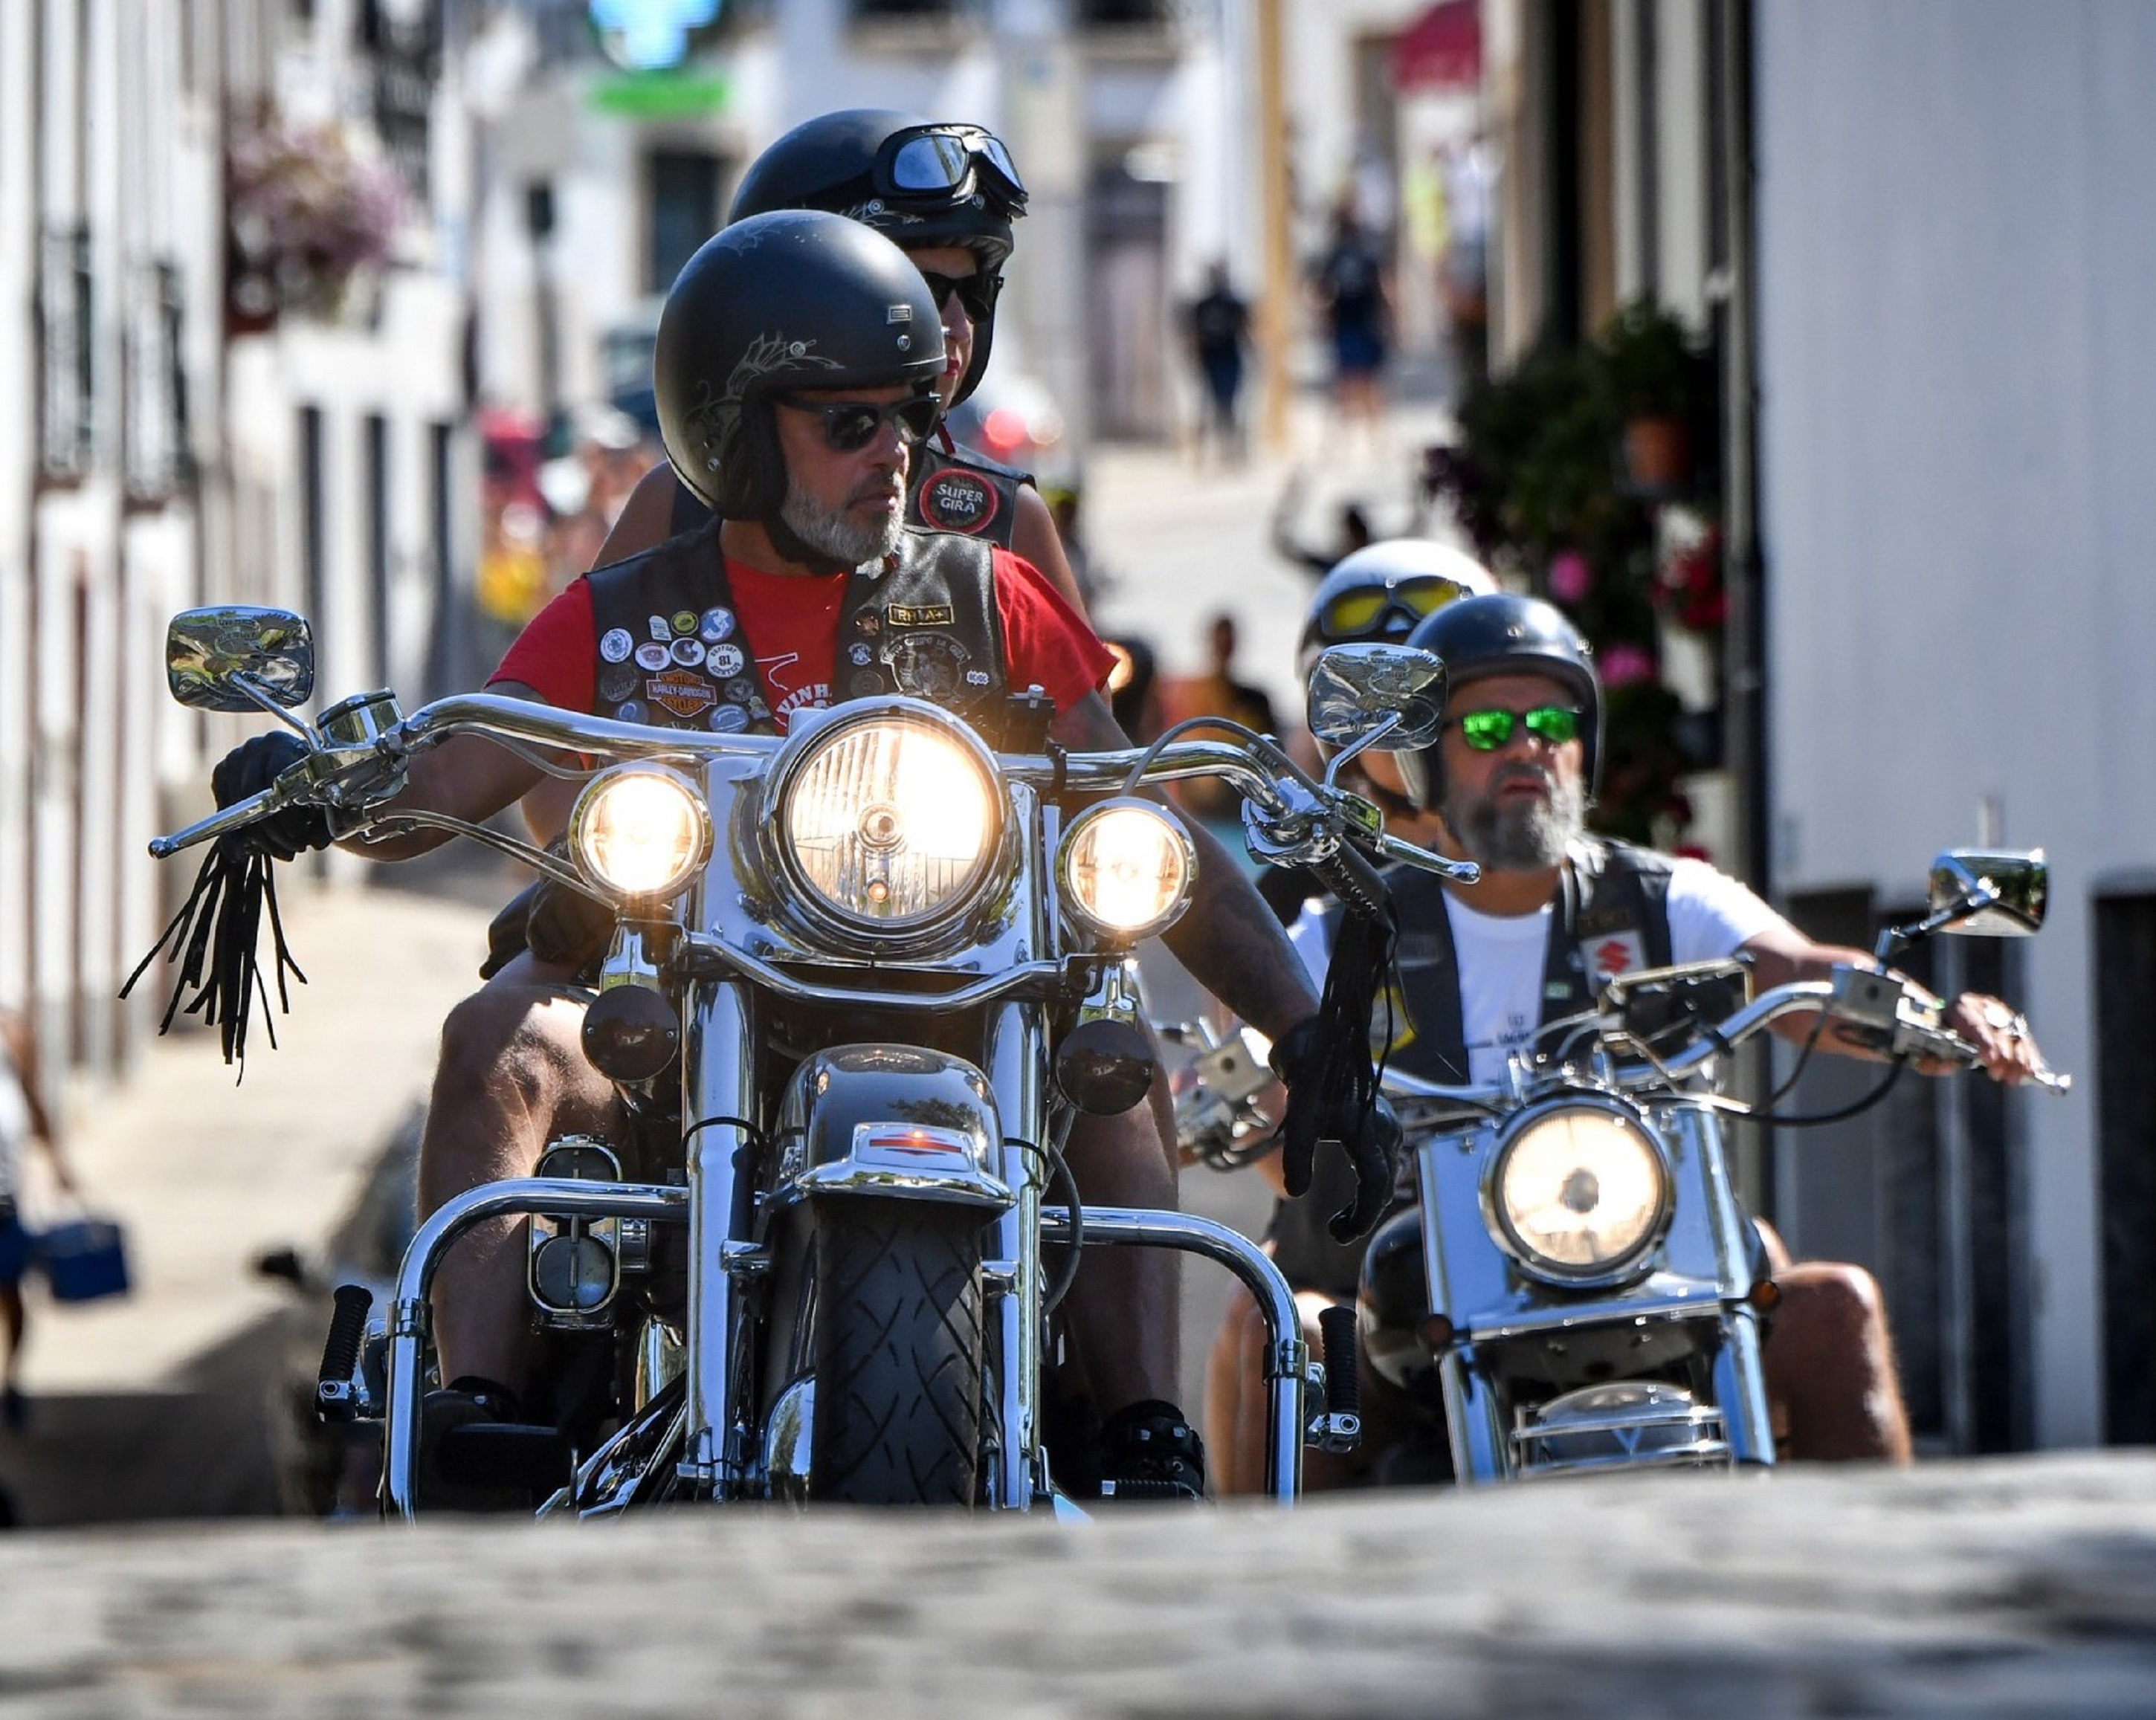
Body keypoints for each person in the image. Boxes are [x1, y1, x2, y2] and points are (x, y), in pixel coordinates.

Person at [212, 212, 1355, 1505]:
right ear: (741, 429)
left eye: (908, 421)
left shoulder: (989, 593)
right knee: (501, 1035)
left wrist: (1306, 1023)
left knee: (1115, 1059)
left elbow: (1127, 805)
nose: (894, 456)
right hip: (684, 1011)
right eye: (848, 425)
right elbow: (454, 775)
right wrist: (315, 792)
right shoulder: (630, 609)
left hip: (971, 1018)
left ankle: (1143, 1427)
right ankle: (480, 1413)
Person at [1206, 583, 2051, 1493]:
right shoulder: (1345, 933)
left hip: (1642, 1246)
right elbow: (1260, 1044)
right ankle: (1280, 1605)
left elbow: (1798, 971)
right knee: (1289, 1332)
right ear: (1426, 763)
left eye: (1549, 721)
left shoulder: (1664, 900)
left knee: (1828, 1304)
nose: (1526, 745)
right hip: (1408, 1283)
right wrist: (1240, 1087)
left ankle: (1888, 1595)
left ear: (1583, 747)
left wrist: (1930, 1014)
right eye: (1487, 731)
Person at [595, 110, 1091, 623]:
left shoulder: (1007, 518)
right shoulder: (676, 505)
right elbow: (556, 687)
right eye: (918, 291)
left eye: (974, 293)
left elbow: (1080, 699)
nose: (956, 324)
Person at [0, 1009, 74, 1432]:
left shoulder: (13, 1033)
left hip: (6, 1193)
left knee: (11, 1293)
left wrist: (58, 1161)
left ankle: (11, 1381)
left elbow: (33, 1098)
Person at [1161, 615, 1279, 827]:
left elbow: (1271, 754)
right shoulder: (1189, 693)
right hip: (1197, 807)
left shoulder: (1254, 699)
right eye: (1221, 640)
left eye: (1228, 641)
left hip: (1239, 808)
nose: (1224, 647)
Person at [1309, 192, 1392, 439]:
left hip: (1366, 322)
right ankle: (1339, 438)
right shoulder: (1334, 254)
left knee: (1370, 381)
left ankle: (1377, 436)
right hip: (1345, 324)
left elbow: (1382, 284)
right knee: (1345, 382)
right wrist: (1323, 316)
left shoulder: (1368, 250)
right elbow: (1322, 290)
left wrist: (1391, 314)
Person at [1184, 261, 1250, 466]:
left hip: (1229, 359)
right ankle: (1203, 454)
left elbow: (1245, 330)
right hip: (1210, 360)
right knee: (1206, 407)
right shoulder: (1202, 306)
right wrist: (1192, 359)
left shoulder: (1235, 304)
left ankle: (1229, 450)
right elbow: (1194, 334)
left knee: (1228, 406)